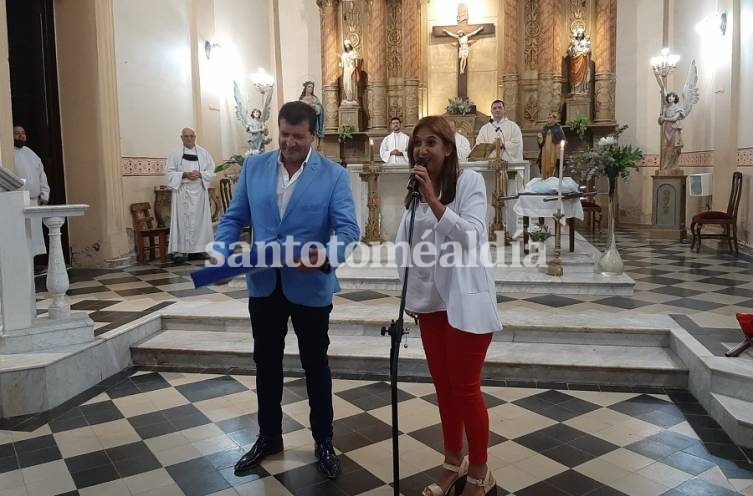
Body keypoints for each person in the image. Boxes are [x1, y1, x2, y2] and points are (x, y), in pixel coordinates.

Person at [214, 101, 359, 480]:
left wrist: (325, 255)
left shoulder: (334, 176)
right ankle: (268, 436)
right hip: (264, 284)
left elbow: (348, 232)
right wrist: (221, 250)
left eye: (298, 136)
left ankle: (324, 440)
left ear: (313, 135)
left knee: (316, 367)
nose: (289, 143)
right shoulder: (255, 167)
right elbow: (234, 218)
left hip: (310, 286)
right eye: (284, 135)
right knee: (266, 364)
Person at [395, 116, 501, 496]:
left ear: (448, 148)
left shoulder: (468, 182)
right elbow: (406, 247)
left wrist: (434, 202)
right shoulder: (413, 193)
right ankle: (453, 463)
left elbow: (472, 235)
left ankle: (481, 471)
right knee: (444, 389)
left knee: (466, 389)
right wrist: (411, 299)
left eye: (431, 143)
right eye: (417, 143)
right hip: (430, 305)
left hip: (465, 302)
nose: (422, 150)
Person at [165, 128, 215, 263]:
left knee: (200, 222)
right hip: (182, 191)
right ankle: (180, 251)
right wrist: (184, 174)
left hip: (199, 192)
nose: (189, 139)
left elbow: (211, 171)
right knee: (181, 221)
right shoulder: (175, 154)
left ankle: (199, 250)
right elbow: (169, 173)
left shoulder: (204, 153)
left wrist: (200, 174)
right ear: (181, 138)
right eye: (186, 136)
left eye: (191, 136)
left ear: (195, 137)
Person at [13, 126, 50, 257]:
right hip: (18, 202)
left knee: (35, 235)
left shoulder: (31, 153)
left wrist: (45, 195)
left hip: (34, 201)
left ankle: (34, 263)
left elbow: (41, 174)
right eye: (17, 133)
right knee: (22, 235)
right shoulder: (9, 153)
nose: (20, 136)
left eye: (23, 133)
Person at [658, 92, 685, 170]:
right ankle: (666, 165)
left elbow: (675, 118)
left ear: (675, 98)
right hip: (667, 129)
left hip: (674, 129)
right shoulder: (665, 108)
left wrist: (664, 119)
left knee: (674, 148)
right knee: (666, 147)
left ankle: (674, 165)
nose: (670, 98)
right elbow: (660, 122)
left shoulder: (678, 108)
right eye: (669, 96)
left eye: (672, 96)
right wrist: (660, 117)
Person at [536, 112, 566, 178]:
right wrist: (540, 138)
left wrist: (558, 146)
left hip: (554, 149)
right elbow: (540, 140)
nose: (548, 119)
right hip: (545, 150)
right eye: (548, 118)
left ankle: (554, 177)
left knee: (553, 164)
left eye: (550, 118)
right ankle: (545, 176)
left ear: (554, 119)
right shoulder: (544, 128)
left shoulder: (558, 128)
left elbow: (562, 139)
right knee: (544, 164)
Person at [567, 28, 592, 95]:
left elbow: (589, 50)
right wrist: (572, 50)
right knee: (574, 74)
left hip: (582, 59)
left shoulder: (585, 41)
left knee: (582, 73)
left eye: (581, 33)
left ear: (582, 34)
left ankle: (582, 90)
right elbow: (568, 50)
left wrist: (585, 51)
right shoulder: (573, 41)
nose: (579, 34)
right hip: (574, 60)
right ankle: (574, 89)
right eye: (578, 33)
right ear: (577, 34)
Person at [339, 39, 360, 103]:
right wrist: (340, 61)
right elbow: (342, 65)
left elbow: (357, 62)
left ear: (350, 45)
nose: (347, 46)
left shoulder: (353, 52)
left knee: (351, 83)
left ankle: (352, 98)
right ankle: (348, 97)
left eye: (348, 44)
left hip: (351, 70)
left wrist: (354, 58)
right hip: (346, 71)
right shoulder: (343, 54)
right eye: (345, 45)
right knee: (345, 83)